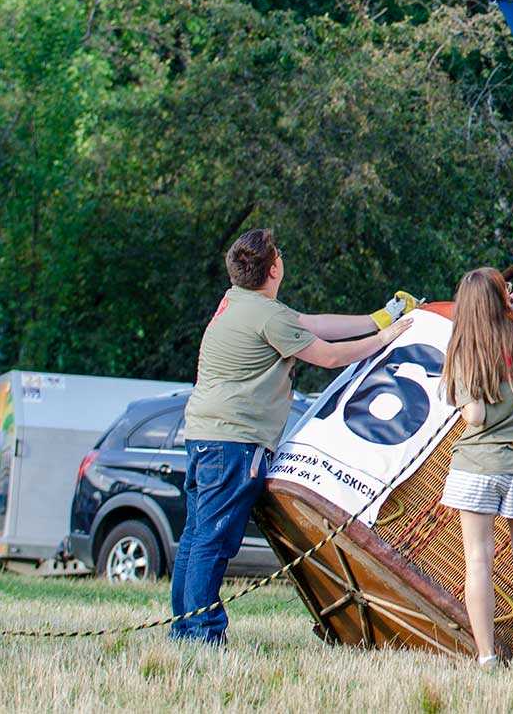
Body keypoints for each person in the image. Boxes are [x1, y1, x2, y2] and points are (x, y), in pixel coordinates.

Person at [172, 228, 415, 644]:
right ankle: (200, 633)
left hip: (204, 435)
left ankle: (185, 627)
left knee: (195, 536)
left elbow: (309, 324)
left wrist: (379, 317)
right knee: (213, 540)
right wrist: (384, 339)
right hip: (235, 442)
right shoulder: (267, 316)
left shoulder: (237, 303)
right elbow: (329, 355)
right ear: (274, 267)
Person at [443, 267, 513, 668]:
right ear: (503, 298)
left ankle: (487, 656)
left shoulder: (463, 349)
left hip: (478, 464)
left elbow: (474, 415)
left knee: (478, 561)